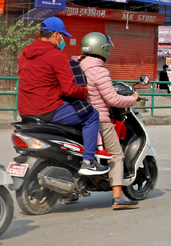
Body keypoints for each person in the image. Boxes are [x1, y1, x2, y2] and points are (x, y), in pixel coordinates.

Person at [17, 17, 108, 176]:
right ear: (56, 35)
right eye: (62, 37)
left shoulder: (25, 53)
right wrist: (85, 92)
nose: (63, 40)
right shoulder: (55, 55)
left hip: (25, 111)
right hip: (47, 109)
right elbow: (70, 90)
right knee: (92, 115)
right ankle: (88, 162)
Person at [78, 32, 140, 210]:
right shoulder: (99, 71)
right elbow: (113, 99)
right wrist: (133, 99)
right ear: (102, 49)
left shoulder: (76, 66)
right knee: (117, 154)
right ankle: (118, 195)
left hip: (78, 116)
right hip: (100, 119)